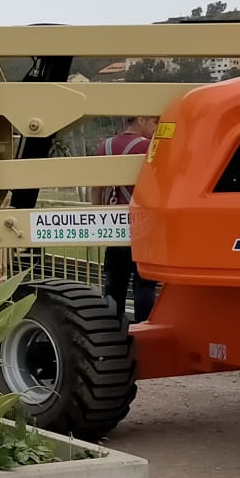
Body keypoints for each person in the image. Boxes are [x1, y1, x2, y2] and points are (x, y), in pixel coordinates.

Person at [97, 112, 159, 324]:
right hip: (141, 223)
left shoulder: (103, 147)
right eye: (153, 122)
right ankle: (143, 329)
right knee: (144, 282)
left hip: (112, 223)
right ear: (141, 119)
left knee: (114, 281)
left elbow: (96, 187)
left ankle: (111, 329)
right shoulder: (147, 147)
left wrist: (98, 214)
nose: (155, 128)